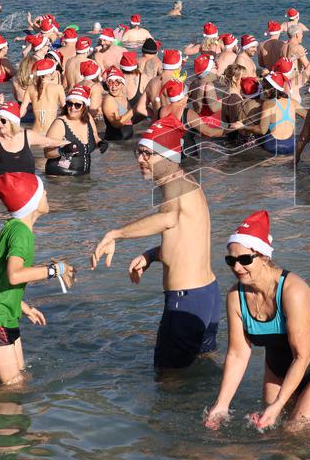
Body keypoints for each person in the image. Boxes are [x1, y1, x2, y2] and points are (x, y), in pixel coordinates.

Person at [92, 116, 220, 370]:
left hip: (185, 300)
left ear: (167, 155)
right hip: (207, 296)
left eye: (147, 154)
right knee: (205, 371)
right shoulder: (187, 182)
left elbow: (168, 219)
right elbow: (186, 240)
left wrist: (115, 234)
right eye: (138, 153)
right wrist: (151, 255)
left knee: (167, 382)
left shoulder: (173, 185)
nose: (140, 159)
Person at [205, 211, 310, 431]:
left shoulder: (292, 291)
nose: (237, 267)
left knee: (293, 432)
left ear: (264, 257)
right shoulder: (235, 297)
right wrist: (221, 404)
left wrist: (279, 404)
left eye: (244, 259)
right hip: (277, 370)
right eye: (230, 260)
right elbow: (238, 354)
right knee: (269, 433)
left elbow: (303, 355)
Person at [0, 172, 76, 385]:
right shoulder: (21, 233)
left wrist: (22, 305)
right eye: (42, 191)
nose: (47, 192)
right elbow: (14, 275)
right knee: (12, 386)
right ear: (31, 201)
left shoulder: (10, 227)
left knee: (21, 378)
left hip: (6, 313)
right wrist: (55, 270)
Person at [0, 102, 68, 194]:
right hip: (4, 192)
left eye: (3, 121)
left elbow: (48, 142)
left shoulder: (27, 136)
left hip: (28, 189)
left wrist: (65, 143)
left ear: (13, 122)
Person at [45, 86, 106, 176]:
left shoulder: (88, 118)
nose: (72, 108)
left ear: (84, 107)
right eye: (70, 104)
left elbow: (96, 137)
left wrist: (101, 143)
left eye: (77, 105)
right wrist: (62, 151)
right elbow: (47, 153)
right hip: (60, 178)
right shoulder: (60, 123)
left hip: (82, 178)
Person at [19, 58, 66, 135]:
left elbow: (21, 113)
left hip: (35, 133)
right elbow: (66, 111)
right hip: (51, 132)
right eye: (54, 70)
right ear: (48, 73)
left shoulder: (30, 88)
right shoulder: (58, 88)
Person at [101, 67, 135, 141]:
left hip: (123, 145)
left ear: (122, 84)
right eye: (110, 83)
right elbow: (116, 124)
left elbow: (128, 119)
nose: (113, 87)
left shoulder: (123, 96)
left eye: (117, 83)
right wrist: (134, 109)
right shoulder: (109, 100)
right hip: (114, 144)